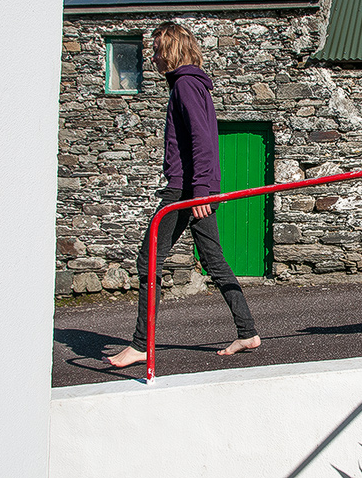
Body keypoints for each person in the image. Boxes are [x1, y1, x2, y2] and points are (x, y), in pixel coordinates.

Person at [105, 22, 261, 368]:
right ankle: (247, 331)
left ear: (173, 49)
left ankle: (141, 344)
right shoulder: (190, 84)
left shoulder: (186, 85)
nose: (154, 56)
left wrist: (202, 191)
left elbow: (202, 141)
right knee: (214, 260)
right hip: (194, 187)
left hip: (185, 189)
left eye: (158, 48)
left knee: (149, 259)